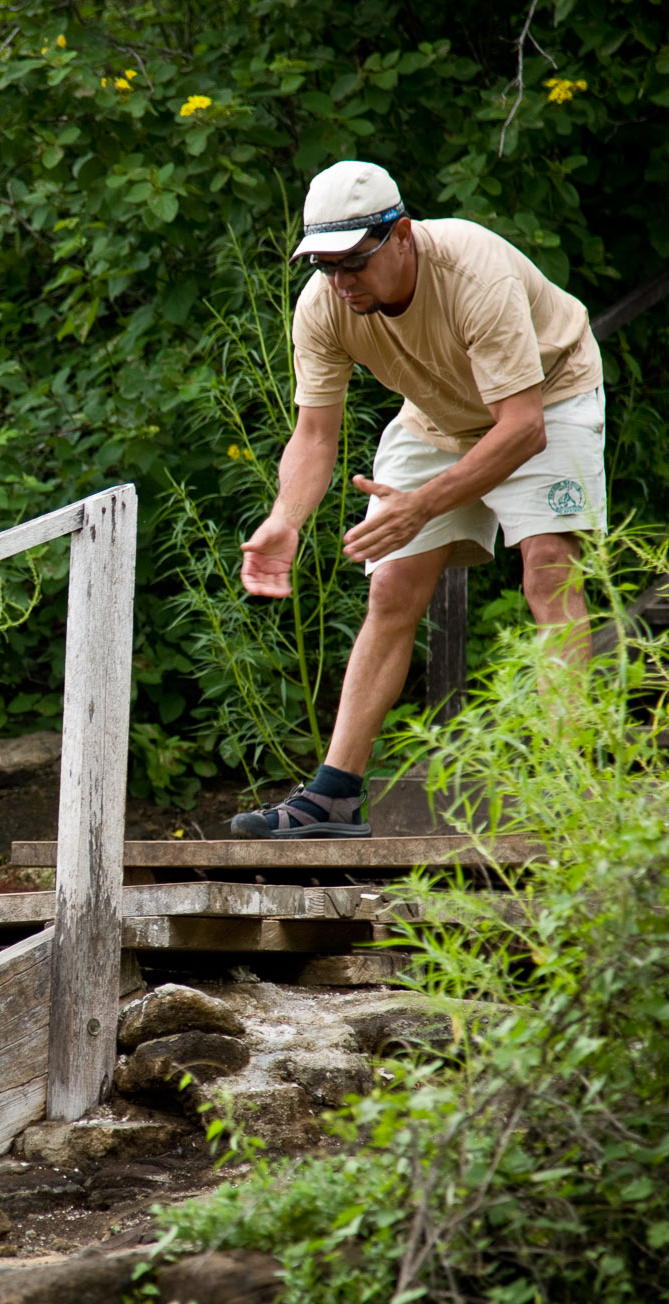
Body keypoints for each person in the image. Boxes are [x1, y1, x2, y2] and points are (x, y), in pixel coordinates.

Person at [231, 160, 605, 839]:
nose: (341, 284)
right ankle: (337, 795)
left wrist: (422, 505)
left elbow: (522, 428)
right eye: (325, 266)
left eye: (354, 264)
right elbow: (314, 436)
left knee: (549, 566)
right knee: (392, 588)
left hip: (547, 396)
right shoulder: (323, 305)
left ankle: (566, 790)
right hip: (434, 415)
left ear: (400, 233)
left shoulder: (472, 272)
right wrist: (285, 520)